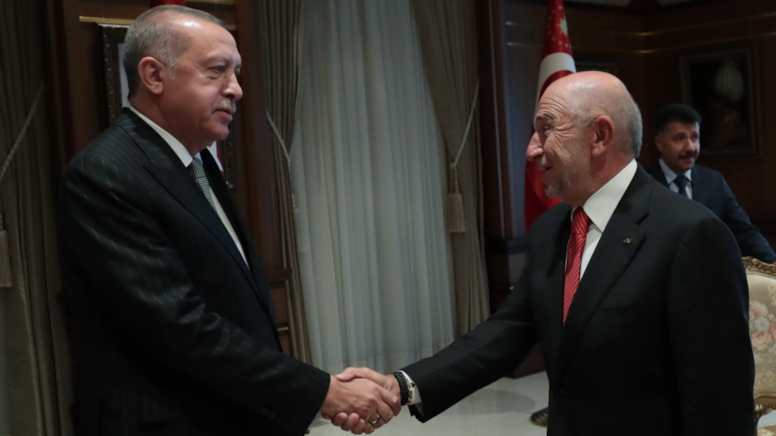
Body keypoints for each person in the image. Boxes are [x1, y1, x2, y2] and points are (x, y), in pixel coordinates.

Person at [329, 72, 755, 435]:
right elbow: (509, 331)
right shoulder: (552, 229)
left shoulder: (691, 234)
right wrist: (401, 385)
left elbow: (719, 403)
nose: (532, 149)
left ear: (599, 136)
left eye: (546, 129)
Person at [57, 6, 398, 436]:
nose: (235, 89)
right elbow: (180, 326)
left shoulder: (198, 161)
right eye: (217, 70)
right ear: (154, 75)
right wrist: (323, 391)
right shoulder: (106, 174)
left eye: (235, 72)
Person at [646, 103, 775, 263]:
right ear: (659, 143)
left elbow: (744, 231)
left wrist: (772, 263)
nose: (690, 147)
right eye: (680, 138)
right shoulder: (646, 184)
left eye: (695, 137)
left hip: (709, 272)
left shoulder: (713, 181)